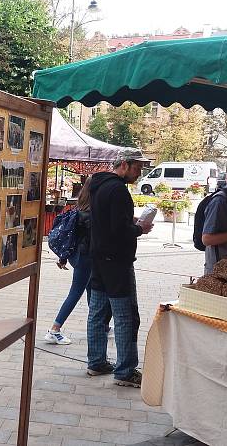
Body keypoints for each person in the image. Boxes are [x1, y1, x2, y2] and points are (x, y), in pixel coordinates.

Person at [86, 149, 153, 388]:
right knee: (125, 316)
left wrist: (130, 223)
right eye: (137, 167)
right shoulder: (118, 190)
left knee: (98, 312)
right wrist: (139, 229)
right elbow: (119, 230)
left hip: (99, 257)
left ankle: (96, 362)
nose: (139, 172)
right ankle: (125, 371)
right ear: (124, 164)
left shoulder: (100, 185)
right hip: (117, 261)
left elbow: (107, 221)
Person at [45, 180, 97, 345]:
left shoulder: (79, 209)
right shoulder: (92, 213)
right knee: (76, 292)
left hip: (76, 256)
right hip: (85, 257)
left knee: (91, 288)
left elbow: (72, 237)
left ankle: (99, 325)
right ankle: (55, 329)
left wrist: (63, 257)